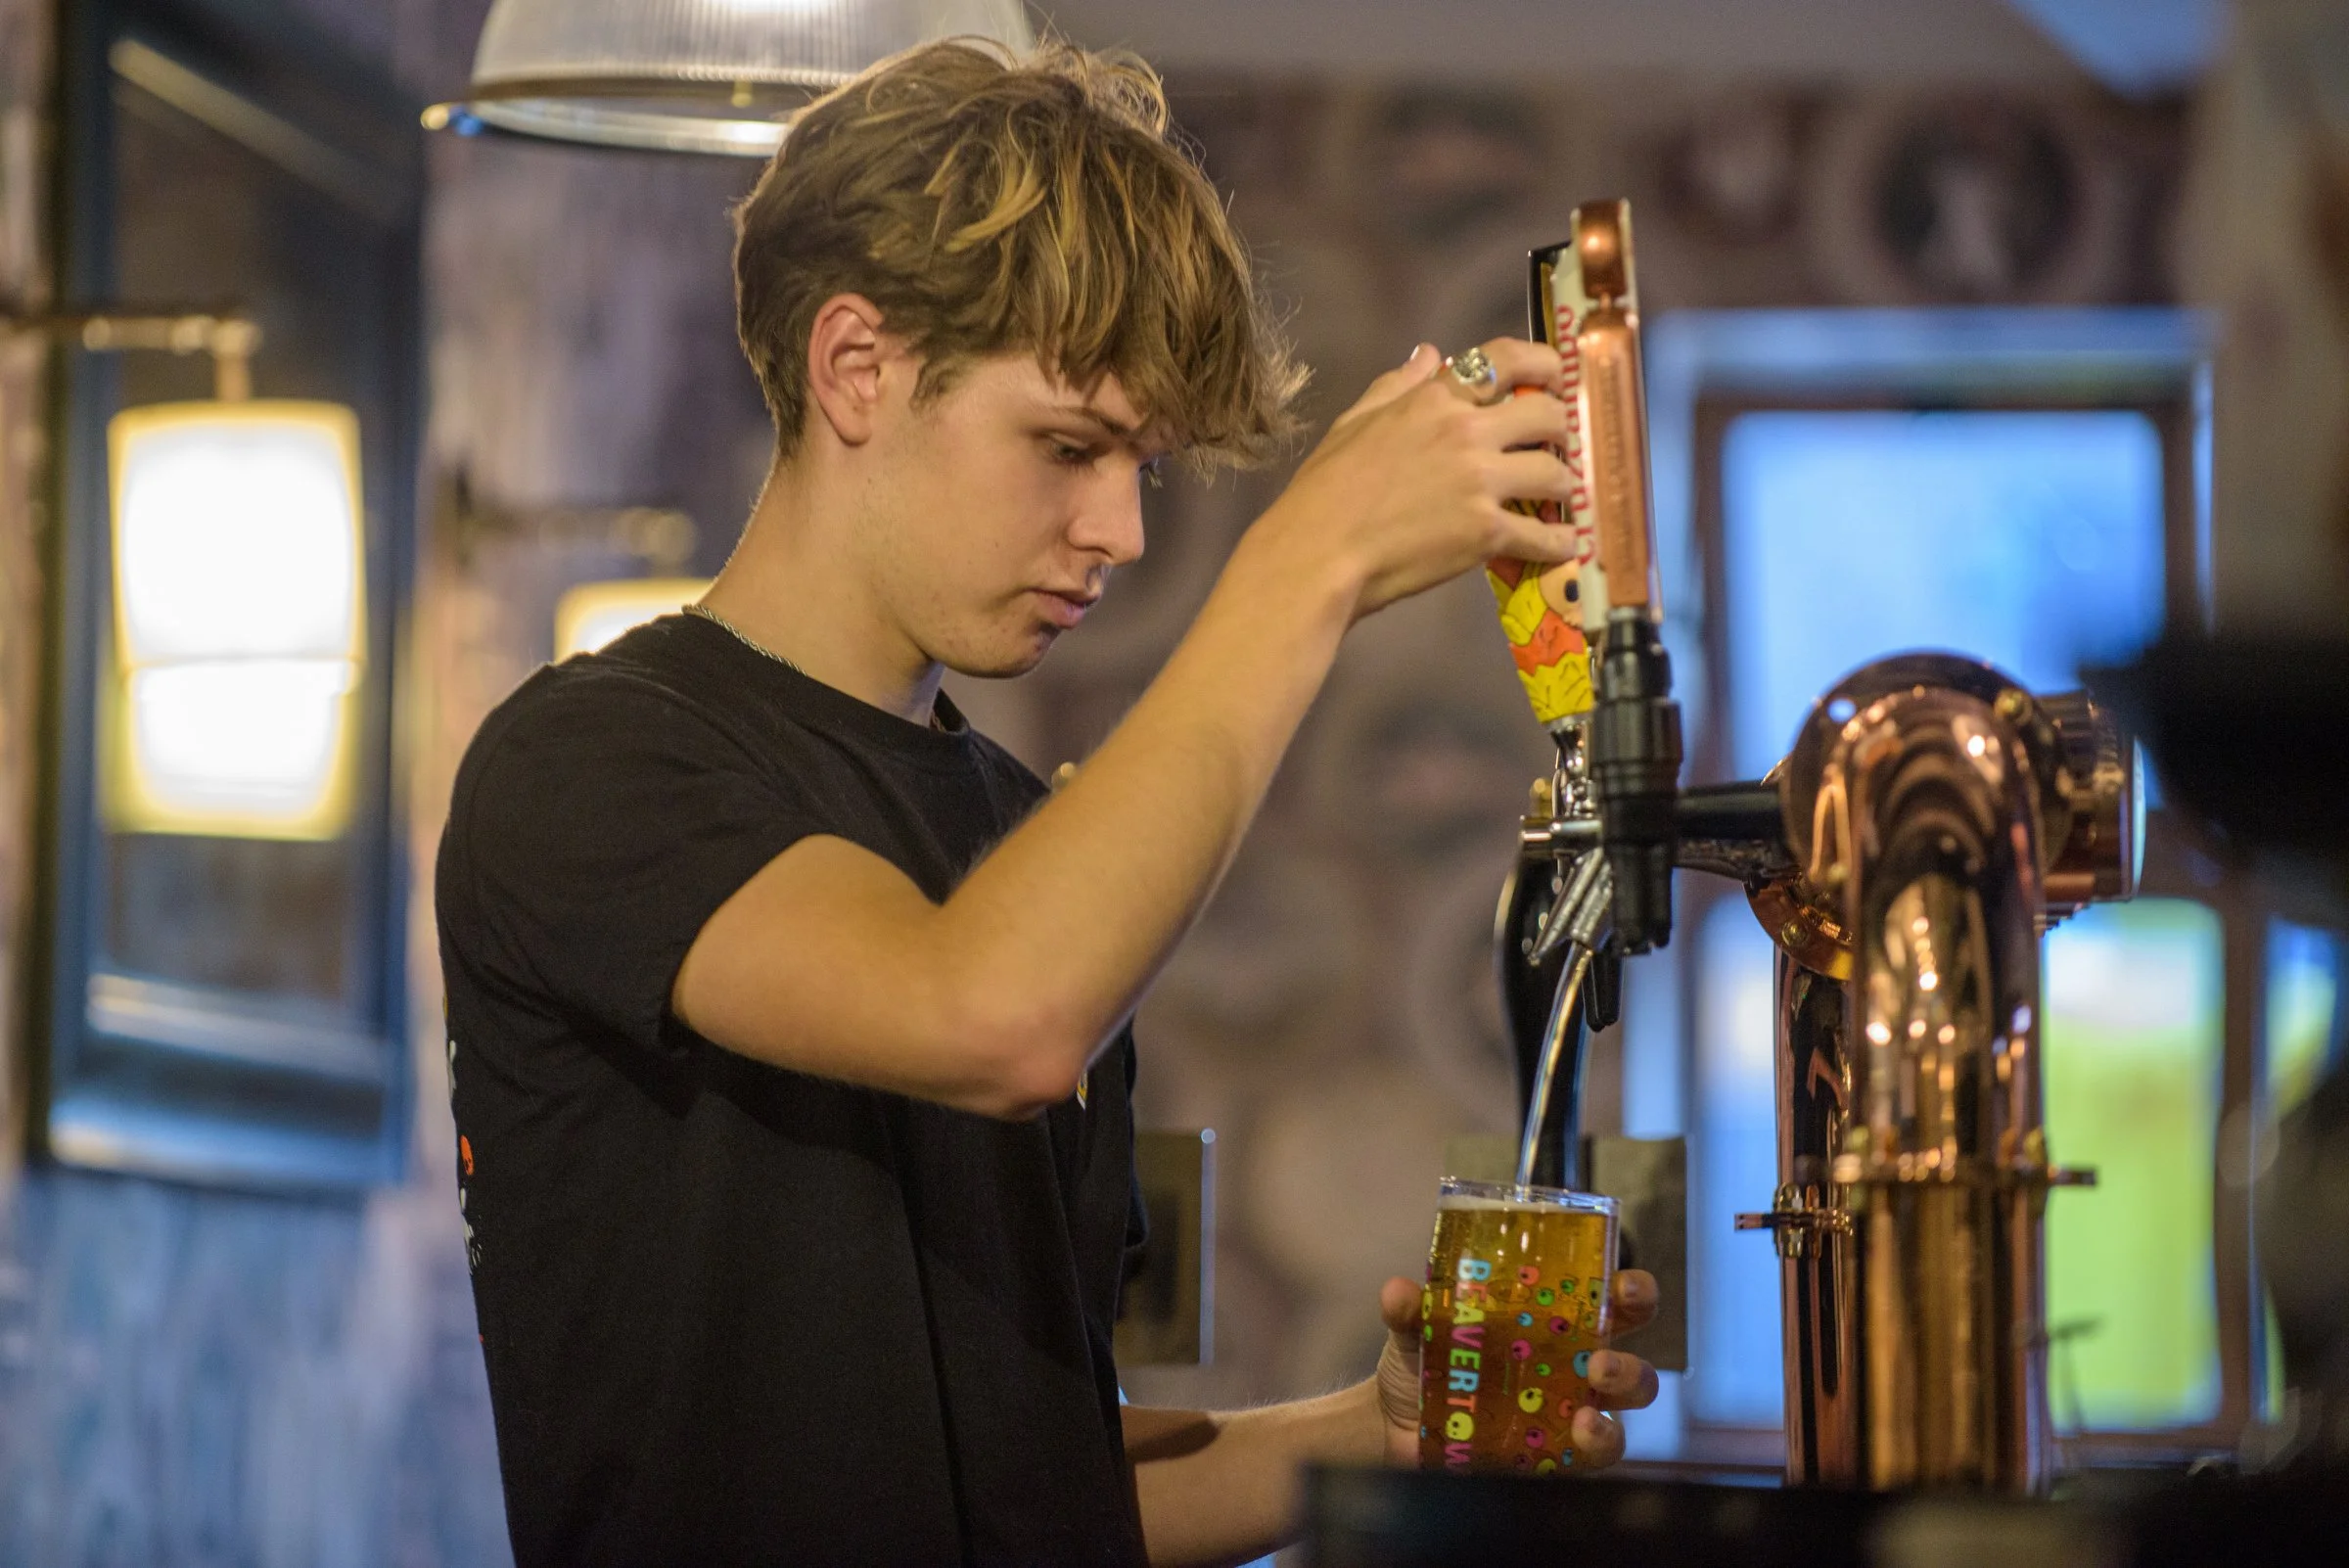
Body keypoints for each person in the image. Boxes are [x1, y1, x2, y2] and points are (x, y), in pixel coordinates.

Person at [437, 36, 1660, 1568]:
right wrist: (1305, 562)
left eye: (1139, 461)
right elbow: (988, 1016)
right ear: (857, 369)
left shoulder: (1020, 831)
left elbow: (1035, 1489)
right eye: (1069, 446)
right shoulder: (595, 759)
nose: (1123, 529)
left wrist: (1375, 1428)